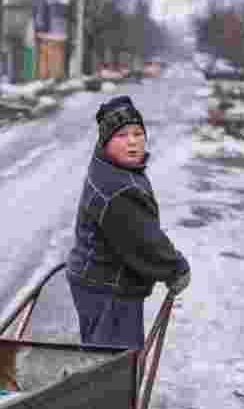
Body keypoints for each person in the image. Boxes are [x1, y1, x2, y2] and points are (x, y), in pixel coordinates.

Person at [66, 95, 191, 349]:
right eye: (122, 136)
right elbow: (144, 242)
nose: (133, 142)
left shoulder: (110, 165)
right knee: (115, 364)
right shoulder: (120, 189)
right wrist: (176, 268)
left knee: (102, 358)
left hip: (96, 279)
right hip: (108, 290)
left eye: (138, 133)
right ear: (106, 141)